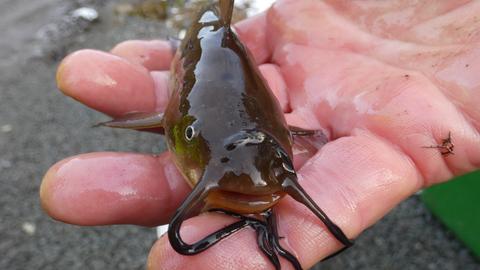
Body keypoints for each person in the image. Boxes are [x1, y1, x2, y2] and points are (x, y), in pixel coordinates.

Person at [40, 0, 480, 269]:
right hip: (198, 57)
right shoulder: (181, 108)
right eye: (189, 131)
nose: (251, 179)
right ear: (169, 123)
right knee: (206, 31)